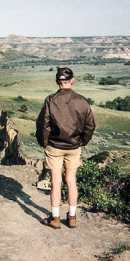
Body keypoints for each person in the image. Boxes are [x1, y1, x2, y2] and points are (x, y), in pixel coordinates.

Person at [36, 67, 95, 229]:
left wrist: (44, 142)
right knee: (71, 180)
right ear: (72, 81)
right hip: (74, 147)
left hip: (54, 147)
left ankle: (55, 218)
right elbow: (90, 125)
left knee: (56, 182)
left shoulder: (50, 100)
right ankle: (72, 217)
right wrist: (82, 141)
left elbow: (43, 125)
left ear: (57, 82)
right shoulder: (82, 101)